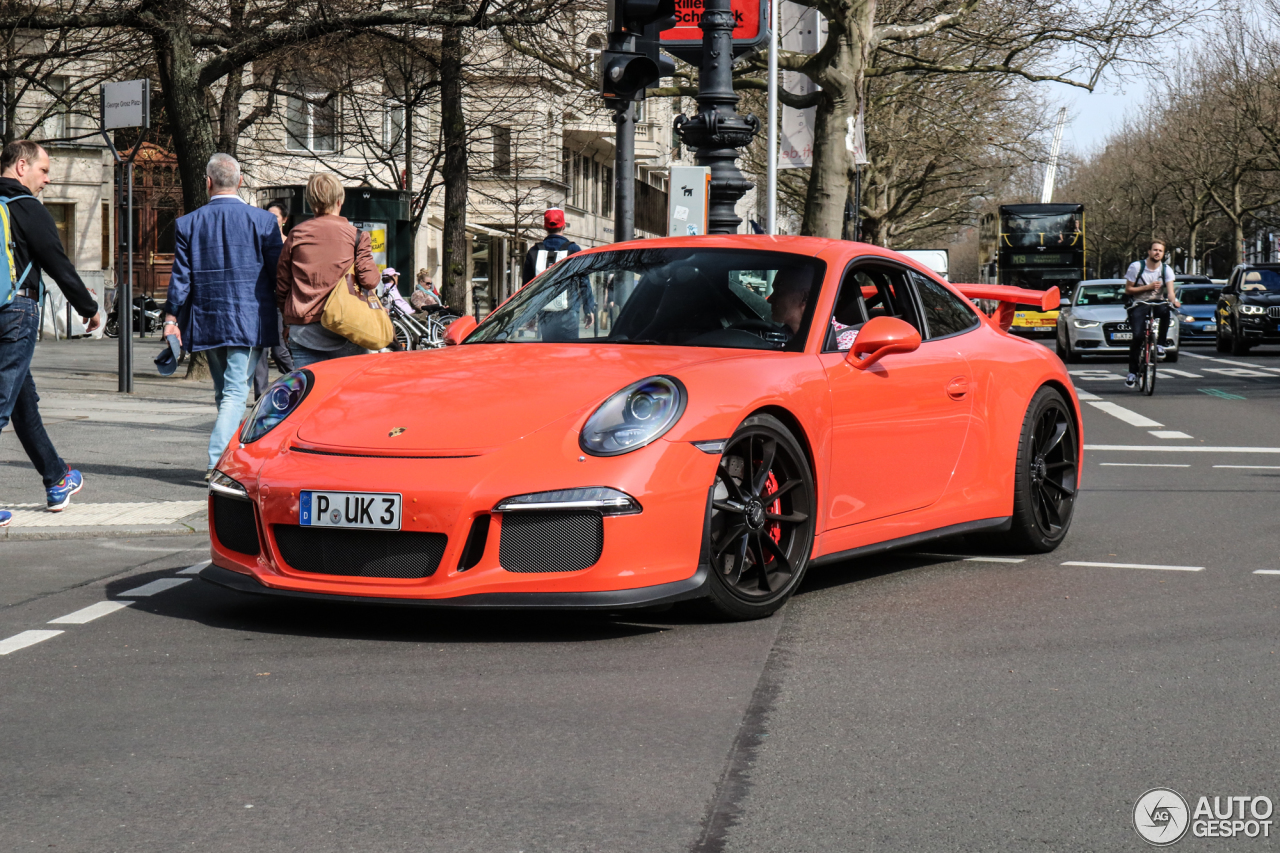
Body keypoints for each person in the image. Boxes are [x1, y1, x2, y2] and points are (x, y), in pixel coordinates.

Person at [163, 153, 283, 479]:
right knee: (232, 393)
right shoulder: (264, 222)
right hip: (249, 319)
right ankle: (219, 463)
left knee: (224, 393)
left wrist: (171, 318)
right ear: (240, 181)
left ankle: (227, 457)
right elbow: (277, 274)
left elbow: (181, 277)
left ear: (208, 182)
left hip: (208, 319)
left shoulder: (189, 223)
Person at [0, 140, 101, 525]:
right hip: (16, 313)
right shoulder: (27, 208)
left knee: (22, 403)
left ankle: (57, 478)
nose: (48, 178)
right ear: (21, 166)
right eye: (44, 170)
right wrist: (89, 310)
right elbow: (56, 262)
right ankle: (57, 478)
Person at [276, 173, 380, 367]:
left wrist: (287, 321)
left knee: (310, 393)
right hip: (347, 326)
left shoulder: (296, 234)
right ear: (340, 200)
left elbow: (282, 285)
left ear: (310, 203)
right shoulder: (356, 236)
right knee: (348, 392)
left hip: (304, 329)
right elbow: (370, 281)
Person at [522, 209, 593, 340]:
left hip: (545, 312)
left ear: (545, 227)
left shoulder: (534, 251)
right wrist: (588, 309)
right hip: (569, 312)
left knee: (549, 352)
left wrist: (530, 316)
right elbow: (584, 282)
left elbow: (527, 287)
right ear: (564, 226)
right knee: (569, 353)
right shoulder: (573, 250)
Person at [252, 198, 295, 399]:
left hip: (280, 301)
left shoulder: (289, 243)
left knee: (279, 350)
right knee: (259, 349)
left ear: (284, 220)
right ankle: (260, 395)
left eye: (275, 215)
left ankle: (301, 383)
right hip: (261, 300)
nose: (270, 219)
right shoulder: (258, 242)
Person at [1123, 239, 1180, 388]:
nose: (1157, 253)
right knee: (1137, 337)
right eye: (1155, 250)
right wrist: (1147, 287)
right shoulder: (1136, 267)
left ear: (1163, 254)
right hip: (1139, 303)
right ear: (1149, 252)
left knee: (1166, 311)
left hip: (1158, 302)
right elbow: (1128, 290)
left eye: (1160, 251)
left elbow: (1170, 292)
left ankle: (1160, 345)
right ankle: (1132, 373)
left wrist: (1174, 301)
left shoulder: (1166, 269)